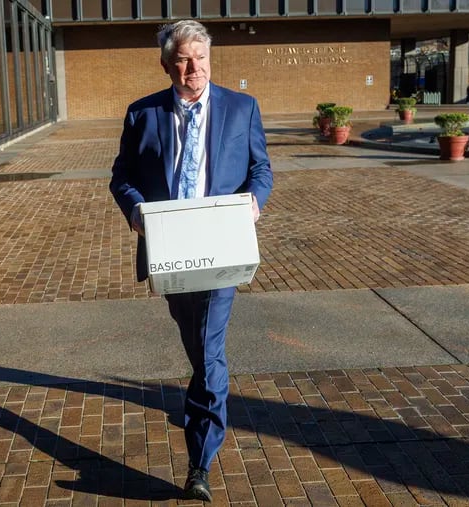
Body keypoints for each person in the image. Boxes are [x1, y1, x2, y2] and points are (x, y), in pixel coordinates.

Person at [109, 19, 273, 502]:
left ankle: (199, 461)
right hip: (171, 253)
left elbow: (260, 168)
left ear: (210, 61)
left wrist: (254, 201)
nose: (192, 68)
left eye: (200, 58)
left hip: (223, 246)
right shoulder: (142, 114)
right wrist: (137, 211)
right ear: (166, 65)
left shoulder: (242, 108)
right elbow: (121, 175)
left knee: (207, 349)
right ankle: (206, 399)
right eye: (182, 59)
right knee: (197, 344)